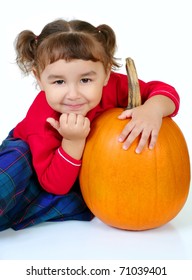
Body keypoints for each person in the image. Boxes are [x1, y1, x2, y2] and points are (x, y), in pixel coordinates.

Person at [0, 19, 179, 231]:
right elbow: (54, 185)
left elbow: (164, 91)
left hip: (76, 173)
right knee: (11, 172)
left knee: (78, 198)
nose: (73, 95)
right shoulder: (42, 121)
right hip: (35, 162)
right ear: (39, 79)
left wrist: (153, 110)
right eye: (59, 82)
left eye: (85, 80)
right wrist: (73, 141)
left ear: (106, 73)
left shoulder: (114, 85)